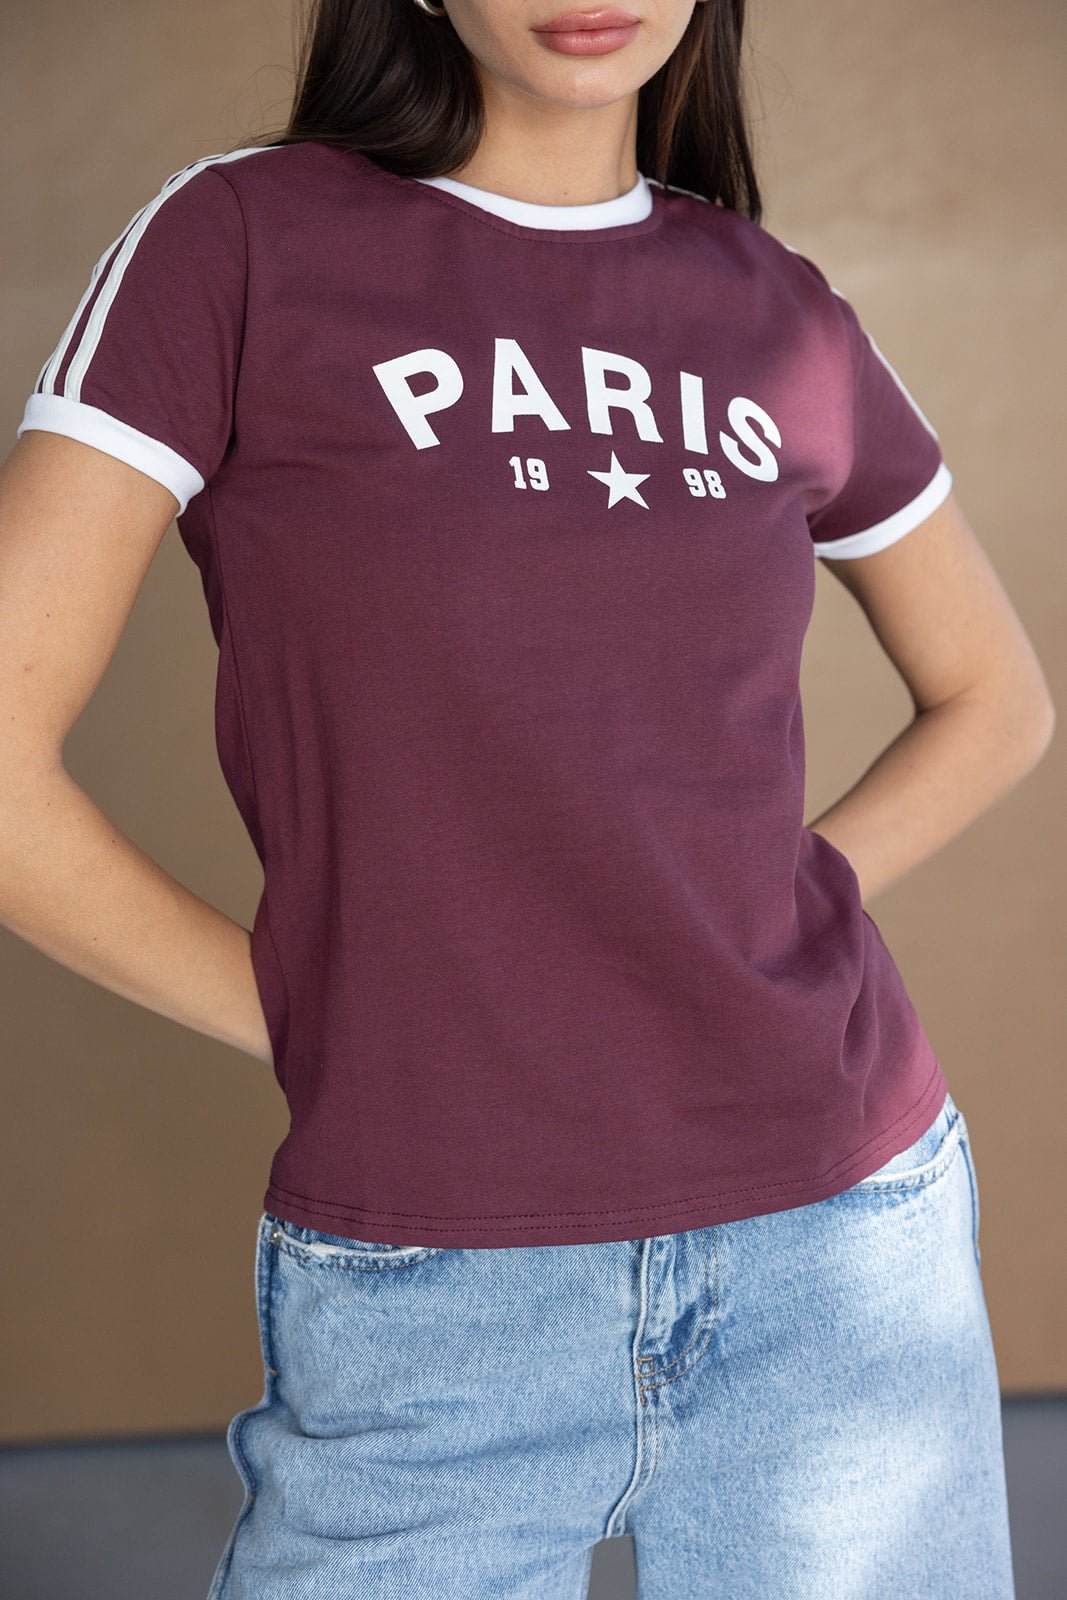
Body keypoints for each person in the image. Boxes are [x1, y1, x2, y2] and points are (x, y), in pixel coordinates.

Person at [1, 1, 1050, 1595]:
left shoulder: (776, 305)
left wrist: (753, 904)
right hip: (441, 1278)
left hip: (836, 1247)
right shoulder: (239, 243)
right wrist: (311, 1006)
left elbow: (998, 701)